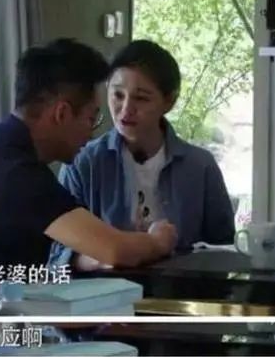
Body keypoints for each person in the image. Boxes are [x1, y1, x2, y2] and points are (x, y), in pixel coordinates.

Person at [0, 39, 177, 279]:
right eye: (91, 118)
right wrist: (158, 240)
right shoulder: (18, 174)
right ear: (62, 114)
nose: (92, 133)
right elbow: (114, 250)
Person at [50, 40, 234, 270]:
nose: (126, 109)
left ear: (169, 101)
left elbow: (223, 249)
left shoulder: (200, 166)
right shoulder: (83, 163)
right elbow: (58, 256)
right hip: (103, 290)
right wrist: (112, 256)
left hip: (181, 289)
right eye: (118, 95)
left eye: (141, 98)